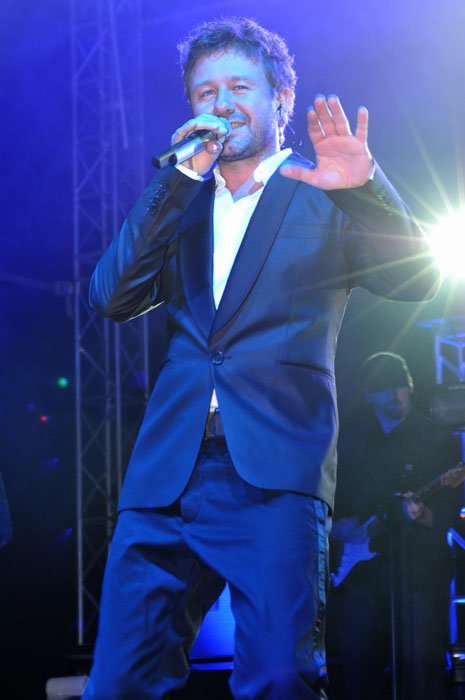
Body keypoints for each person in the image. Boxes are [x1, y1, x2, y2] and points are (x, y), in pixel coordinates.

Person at [82, 17, 440, 700]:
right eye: (205, 91)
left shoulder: (323, 190)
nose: (221, 103)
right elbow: (110, 296)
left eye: (238, 87)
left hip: (274, 471)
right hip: (167, 472)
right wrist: (177, 181)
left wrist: (365, 188)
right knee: (119, 682)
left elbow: (416, 281)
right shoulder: (182, 201)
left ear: (281, 98)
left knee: (278, 675)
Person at [327, 352, 462, 700]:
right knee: (358, 672)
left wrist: (423, 513)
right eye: (383, 388)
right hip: (359, 577)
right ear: (369, 395)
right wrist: (337, 528)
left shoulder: (438, 439)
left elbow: (449, 509)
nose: (393, 394)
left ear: (411, 386)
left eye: (400, 385)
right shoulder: (349, 442)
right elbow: (326, 498)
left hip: (420, 571)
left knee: (422, 671)